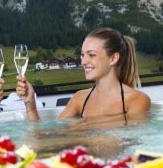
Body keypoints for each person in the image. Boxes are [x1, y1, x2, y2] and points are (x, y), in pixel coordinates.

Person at [16, 27, 151, 123]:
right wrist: (30, 103)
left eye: (91, 55)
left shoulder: (137, 100)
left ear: (113, 58)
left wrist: (84, 128)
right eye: (82, 55)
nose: (84, 61)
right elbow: (46, 138)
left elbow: (132, 143)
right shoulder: (80, 98)